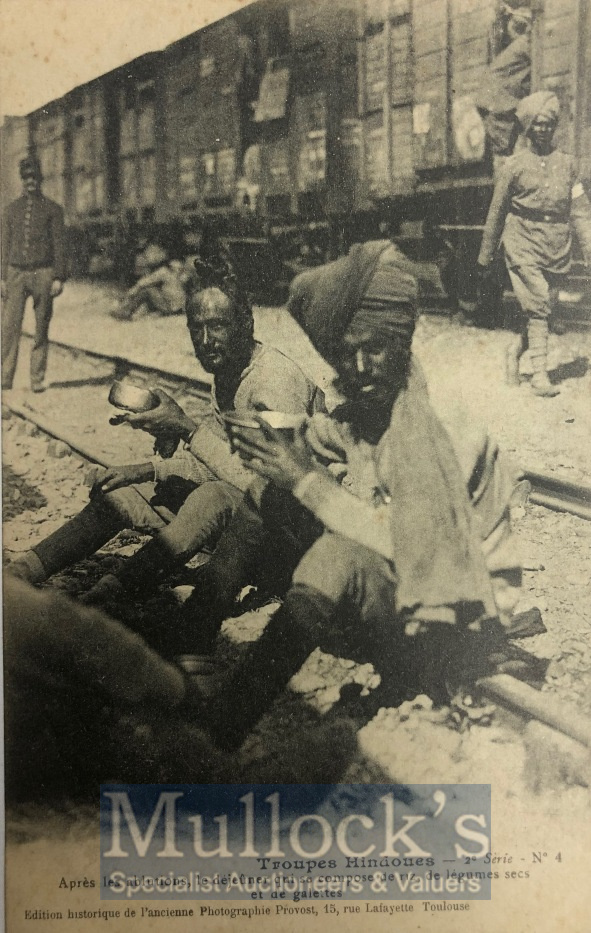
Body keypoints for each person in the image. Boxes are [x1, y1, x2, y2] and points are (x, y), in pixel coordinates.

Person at [180, 241, 523, 750]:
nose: (359, 368)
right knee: (267, 496)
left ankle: (223, 726)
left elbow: (411, 545)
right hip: (403, 603)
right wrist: (303, 449)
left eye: (374, 348)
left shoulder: (442, 424)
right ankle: (190, 642)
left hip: (453, 625)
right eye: (345, 354)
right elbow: (344, 454)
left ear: (400, 339)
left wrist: (306, 480)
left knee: (335, 554)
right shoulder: (377, 403)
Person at [9, 245, 323, 621]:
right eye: (197, 328)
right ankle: (21, 573)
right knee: (127, 494)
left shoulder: (274, 382)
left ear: (246, 324)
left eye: (218, 326)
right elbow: (223, 458)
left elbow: (271, 491)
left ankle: (106, 598)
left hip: (296, 544)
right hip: (250, 527)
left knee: (213, 496)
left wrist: (187, 429)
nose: (207, 340)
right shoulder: (228, 372)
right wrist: (147, 470)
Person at [478, 91, 591, 396]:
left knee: (545, 308)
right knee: (539, 302)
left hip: (557, 245)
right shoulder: (513, 166)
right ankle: (540, 375)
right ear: (528, 127)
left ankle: (515, 351)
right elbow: (497, 212)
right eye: (538, 125)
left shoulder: (568, 165)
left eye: (549, 125)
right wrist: (485, 256)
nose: (544, 130)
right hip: (522, 240)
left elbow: (580, 212)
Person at [1, 156, 67, 393]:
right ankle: (4, 379)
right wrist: (1, 278)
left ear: (40, 179)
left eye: (35, 178)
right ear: (22, 180)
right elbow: (4, 246)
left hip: (43, 273)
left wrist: (59, 277)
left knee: (41, 328)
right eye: (27, 178)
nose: (31, 182)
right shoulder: (10, 210)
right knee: (9, 328)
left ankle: (37, 379)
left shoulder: (53, 210)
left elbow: (60, 245)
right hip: (15, 273)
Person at [111, 243, 188, 320]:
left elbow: (143, 283)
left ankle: (124, 312)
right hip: (180, 308)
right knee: (153, 291)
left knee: (147, 291)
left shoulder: (164, 271)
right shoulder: (183, 273)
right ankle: (131, 312)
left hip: (171, 307)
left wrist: (132, 291)